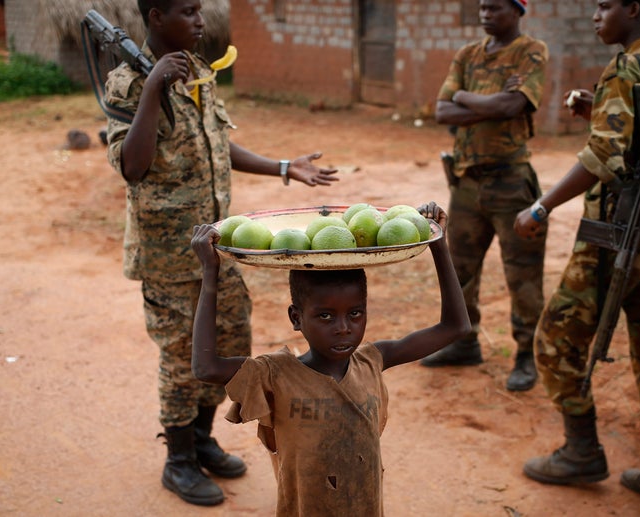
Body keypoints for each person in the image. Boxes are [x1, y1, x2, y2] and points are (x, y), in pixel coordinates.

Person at [104, 0, 338, 506]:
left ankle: (205, 440)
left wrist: (282, 167)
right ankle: (179, 459)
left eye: (200, 10)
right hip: (167, 253)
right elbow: (132, 165)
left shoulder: (202, 73)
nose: (199, 20)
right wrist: (151, 89)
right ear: (157, 15)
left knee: (228, 337)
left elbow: (215, 144)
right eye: (187, 11)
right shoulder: (125, 82)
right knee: (178, 355)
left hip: (215, 244)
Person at [514, 0, 640, 510]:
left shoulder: (625, 64)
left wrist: (540, 207)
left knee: (554, 340)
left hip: (619, 232)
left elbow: (605, 155)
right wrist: (597, 106)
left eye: (604, 5)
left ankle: (580, 451)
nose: (595, 16)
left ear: (633, 8)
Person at [190, 202, 470, 516]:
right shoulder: (275, 375)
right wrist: (209, 273)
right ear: (296, 318)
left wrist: (438, 245)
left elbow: (456, 327)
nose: (343, 329)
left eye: (355, 314)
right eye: (325, 316)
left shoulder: (373, 361)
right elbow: (206, 367)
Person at [421, 0, 548, 392]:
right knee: (459, 271)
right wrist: (487, 105)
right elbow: (441, 111)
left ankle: (528, 355)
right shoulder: (467, 55)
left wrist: (465, 97)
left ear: (517, 10)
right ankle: (464, 342)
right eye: (482, 7)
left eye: (495, 7)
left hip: (511, 182)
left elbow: (515, 104)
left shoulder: (531, 52)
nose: (485, 13)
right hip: (466, 183)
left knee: (522, 276)